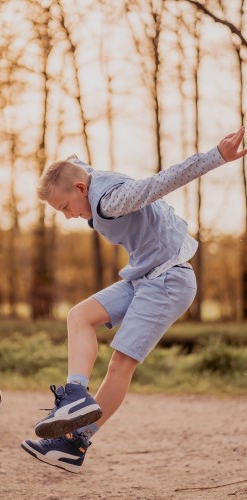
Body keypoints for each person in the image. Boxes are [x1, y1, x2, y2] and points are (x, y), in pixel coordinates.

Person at [21, 126, 247, 473]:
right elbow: (73, 163)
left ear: (82, 188)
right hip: (144, 275)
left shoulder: (112, 200)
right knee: (79, 316)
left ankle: (77, 441)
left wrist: (217, 156)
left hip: (170, 280)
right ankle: (75, 394)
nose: (67, 216)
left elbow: (162, 182)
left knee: (120, 364)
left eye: (66, 207)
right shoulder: (83, 174)